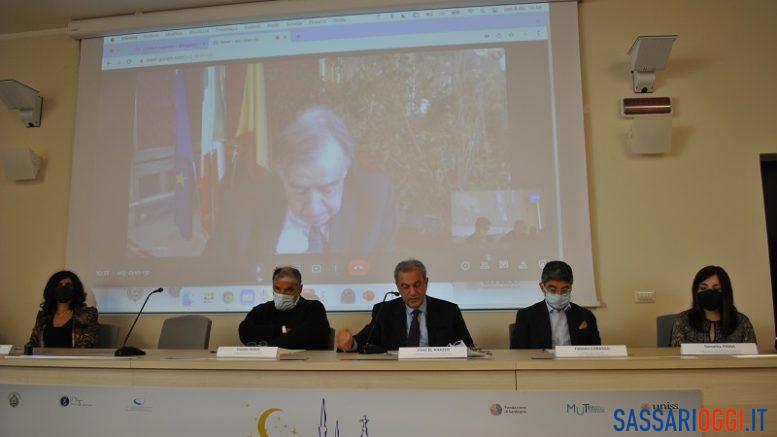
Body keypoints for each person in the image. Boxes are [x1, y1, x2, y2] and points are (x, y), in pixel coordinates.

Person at [206, 106, 397, 255]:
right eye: (299, 189)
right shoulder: (242, 205)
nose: (313, 208)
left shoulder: (376, 200)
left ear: (345, 170)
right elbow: (210, 278)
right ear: (282, 175)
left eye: (327, 189)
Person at [335, 259, 474, 352]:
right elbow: (363, 341)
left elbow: (469, 348)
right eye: (405, 287)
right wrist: (350, 343)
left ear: (426, 283)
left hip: (440, 373)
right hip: (396, 375)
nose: (412, 292)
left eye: (417, 285)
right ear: (398, 287)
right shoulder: (384, 311)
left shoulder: (449, 311)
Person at [510, 260, 600, 349]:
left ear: (571, 287)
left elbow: (596, 351)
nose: (559, 295)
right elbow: (517, 353)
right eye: (553, 290)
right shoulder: (526, 316)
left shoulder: (586, 316)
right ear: (542, 287)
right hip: (540, 359)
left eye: (564, 290)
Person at [239, 266, 331, 349]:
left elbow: (314, 339)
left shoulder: (314, 308)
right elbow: (245, 333)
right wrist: (281, 330)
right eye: (277, 289)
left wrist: (266, 343)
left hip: (306, 361)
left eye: (288, 290)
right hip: (268, 361)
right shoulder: (262, 310)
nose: (282, 294)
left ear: (300, 289)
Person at [670, 265, 756, 346]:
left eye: (716, 289)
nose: (709, 293)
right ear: (695, 291)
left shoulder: (742, 322)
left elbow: (752, 355)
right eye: (703, 288)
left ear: (726, 292)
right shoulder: (683, 320)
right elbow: (676, 354)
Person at [28, 271, 99, 348]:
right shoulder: (43, 316)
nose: (63, 288)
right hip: (45, 356)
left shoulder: (87, 315)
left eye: (68, 285)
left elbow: (88, 345)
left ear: (75, 289)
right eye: (59, 285)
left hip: (74, 356)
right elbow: (33, 344)